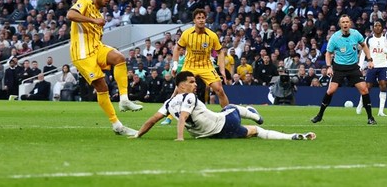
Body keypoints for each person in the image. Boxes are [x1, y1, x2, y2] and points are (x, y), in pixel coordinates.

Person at [132, 71, 316, 141]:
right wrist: (179, 137)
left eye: (195, 82)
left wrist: (138, 135)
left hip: (214, 133)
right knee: (247, 124)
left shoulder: (169, 103)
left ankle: (253, 114)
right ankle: (290, 136)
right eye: (191, 82)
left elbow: (153, 120)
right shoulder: (187, 97)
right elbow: (175, 118)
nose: (195, 85)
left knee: (234, 113)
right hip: (222, 128)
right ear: (181, 86)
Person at [67, 0, 141, 136]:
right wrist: (93, 21)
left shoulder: (99, 14)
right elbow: (70, 15)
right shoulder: (85, 2)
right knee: (102, 87)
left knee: (119, 58)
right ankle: (116, 124)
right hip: (82, 54)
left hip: (96, 48)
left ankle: (124, 99)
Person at [311, 14, 376, 125]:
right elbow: (328, 53)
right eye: (343, 22)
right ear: (340, 24)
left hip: (353, 67)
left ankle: (370, 118)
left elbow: (364, 45)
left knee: (364, 89)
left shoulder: (356, 34)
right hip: (339, 67)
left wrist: (370, 59)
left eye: (347, 22)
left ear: (350, 23)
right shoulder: (335, 38)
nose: (345, 24)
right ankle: (319, 115)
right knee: (331, 91)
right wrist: (328, 67)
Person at [172, 9, 229, 107]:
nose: (201, 20)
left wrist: (222, 70)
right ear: (194, 20)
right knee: (178, 90)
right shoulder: (187, 33)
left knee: (220, 90)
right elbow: (177, 48)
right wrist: (175, 66)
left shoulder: (212, 35)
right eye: (198, 18)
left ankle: (229, 114)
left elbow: (220, 52)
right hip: (190, 65)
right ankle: (168, 115)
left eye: (203, 18)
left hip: (206, 66)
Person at [356, 19, 387, 117]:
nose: (377, 27)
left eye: (379, 25)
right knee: (368, 87)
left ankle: (381, 111)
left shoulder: (386, 39)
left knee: (383, 85)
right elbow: (363, 52)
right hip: (372, 65)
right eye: (375, 25)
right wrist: (361, 65)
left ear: (382, 28)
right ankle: (360, 104)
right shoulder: (369, 39)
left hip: (383, 65)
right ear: (373, 27)